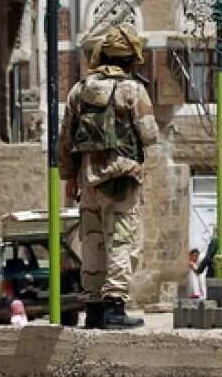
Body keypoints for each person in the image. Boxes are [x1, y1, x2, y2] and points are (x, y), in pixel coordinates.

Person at [57, 24, 159, 330]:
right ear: (130, 60)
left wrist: (69, 176)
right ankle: (115, 306)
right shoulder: (133, 90)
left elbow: (64, 138)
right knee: (121, 241)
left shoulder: (80, 89)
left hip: (87, 179)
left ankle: (94, 308)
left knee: (93, 241)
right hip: (122, 178)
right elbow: (150, 134)